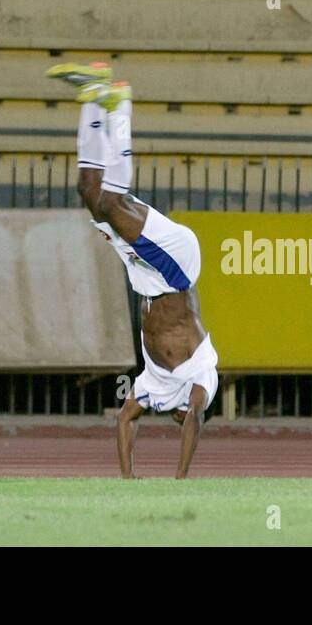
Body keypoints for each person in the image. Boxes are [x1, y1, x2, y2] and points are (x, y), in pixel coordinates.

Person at [46, 62, 218, 480]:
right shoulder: (201, 382)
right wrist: (180, 480)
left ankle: (92, 102)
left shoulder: (153, 388)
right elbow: (195, 421)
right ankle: (120, 105)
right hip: (176, 269)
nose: (177, 422)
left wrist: (128, 480)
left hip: (145, 271)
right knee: (112, 202)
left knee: (90, 194)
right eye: (180, 422)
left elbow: (124, 421)